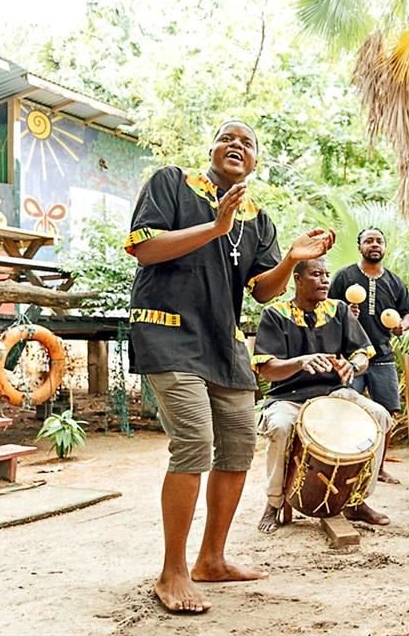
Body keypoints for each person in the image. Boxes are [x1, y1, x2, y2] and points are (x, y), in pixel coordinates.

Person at [126, 120, 335, 613]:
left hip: (224, 342)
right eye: (228, 138)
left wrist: (289, 259)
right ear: (213, 149)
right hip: (167, 330)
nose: (237, 145)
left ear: (255, 161)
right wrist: (216, 227)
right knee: (194, 441)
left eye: (248, 143)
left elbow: (264, 291)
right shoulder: (172, 182)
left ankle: (211, 559)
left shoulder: (257, 218)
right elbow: (143, 247)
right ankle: (172, 570)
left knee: (238, 445)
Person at [253, 257, 392, 533]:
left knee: (380, 416)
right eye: (317, 274)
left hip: (333, 394)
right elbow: (267, 369)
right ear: (298, 280)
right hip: (287, 397)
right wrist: (300, 362)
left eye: (327, 274)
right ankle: (274, 502)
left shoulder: (339, 310)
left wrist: (352, 365)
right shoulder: (275, 314)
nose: (325, 280)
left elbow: (363, 353)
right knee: (281, 427)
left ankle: (357, 500)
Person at [329, 227, 409, 484]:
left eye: (379, 240)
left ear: (384, 247)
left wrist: (403, 325)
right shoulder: (344, 276)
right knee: (346, 410)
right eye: (369, 240)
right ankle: (346, 464)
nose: (374, 244)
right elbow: (327, 307)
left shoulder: (394, 281)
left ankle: (378, 468)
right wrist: (345, 313)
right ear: (360, 247)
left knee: (388, 412)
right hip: (350, 357)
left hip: (382, 355)